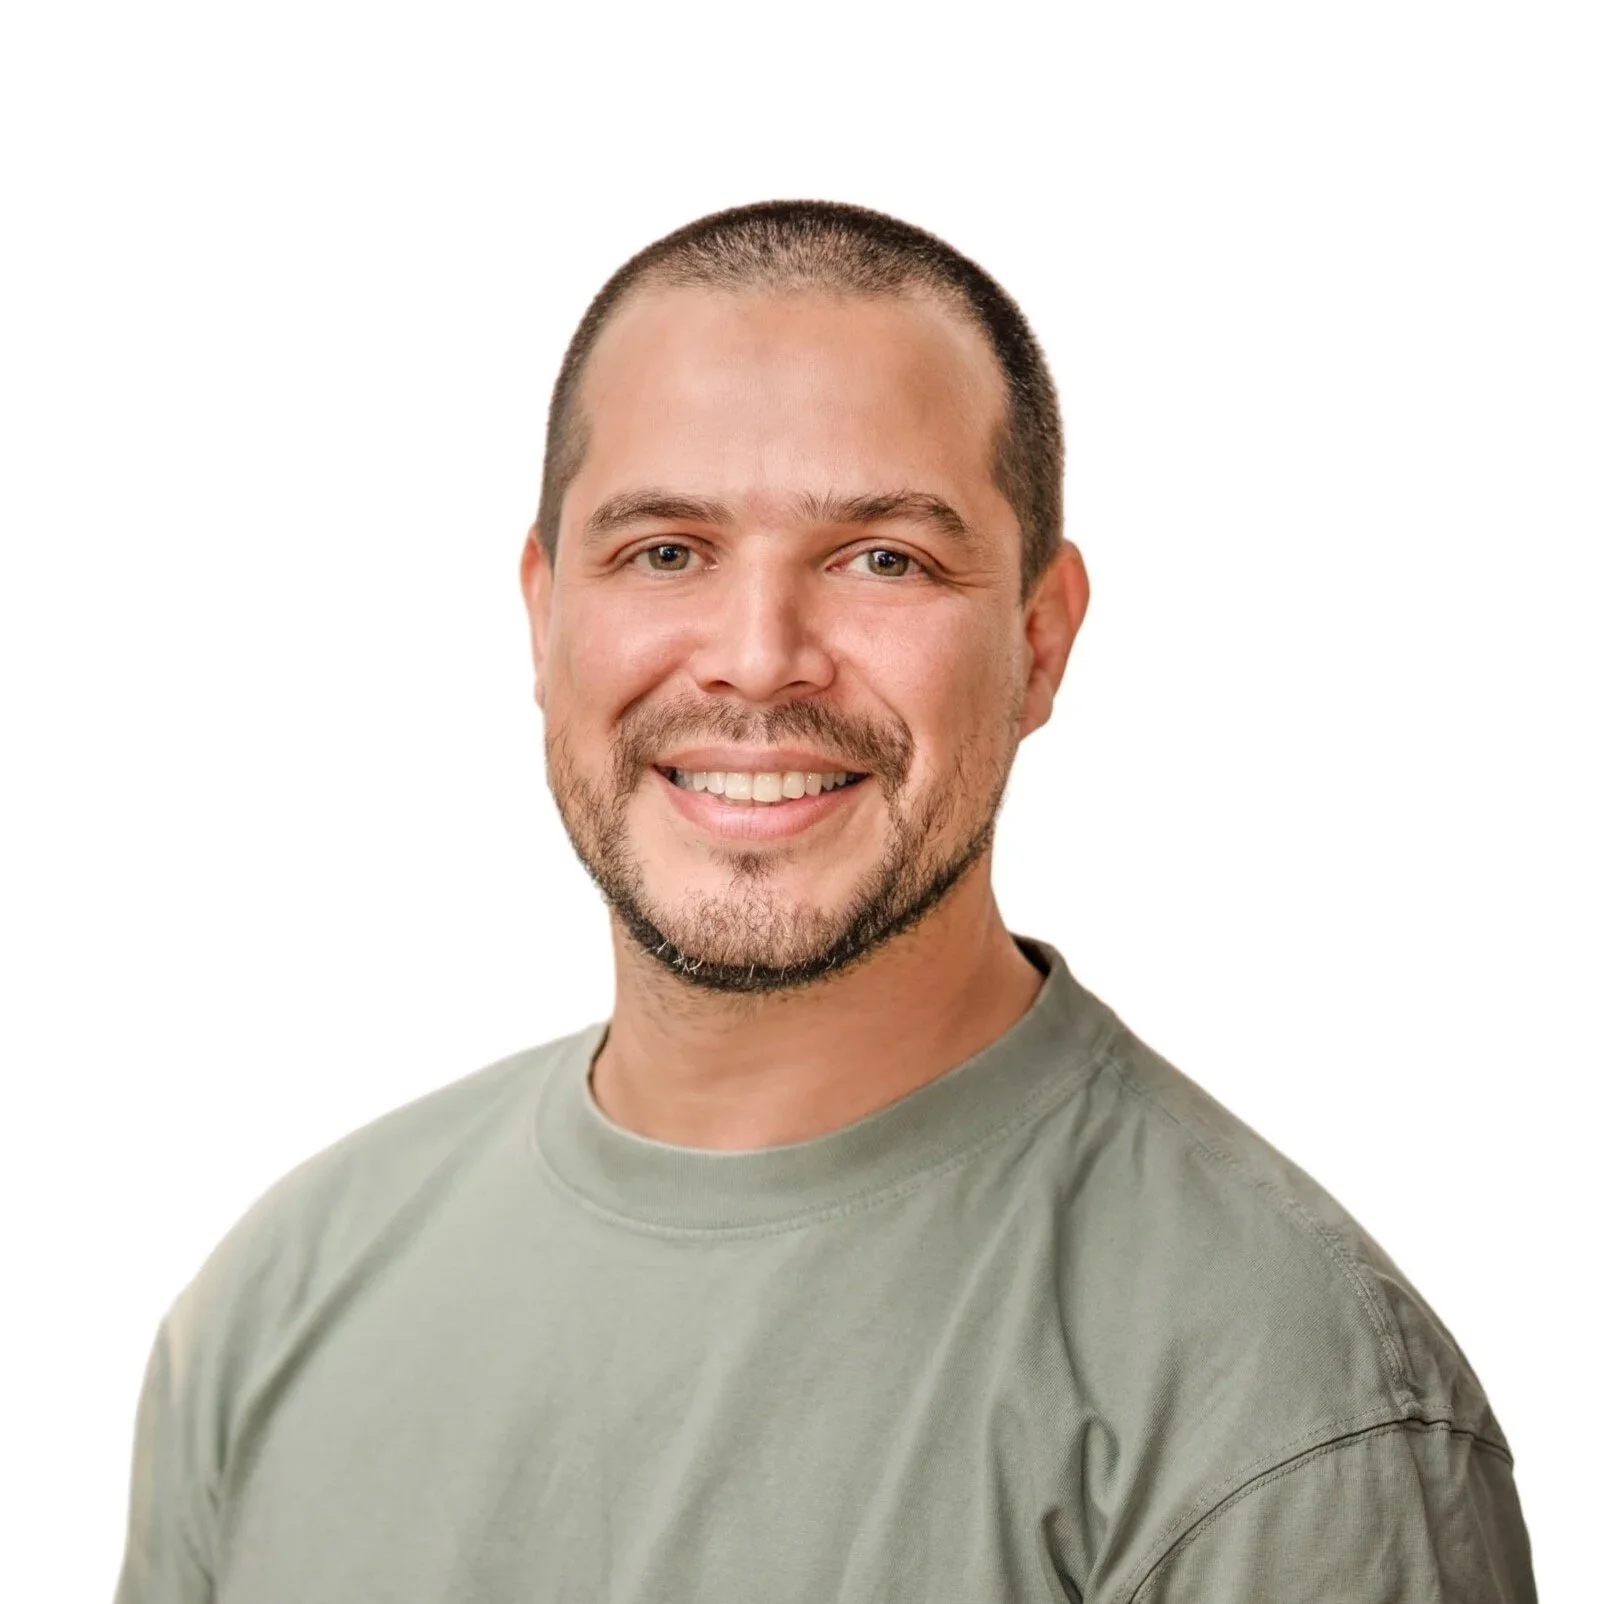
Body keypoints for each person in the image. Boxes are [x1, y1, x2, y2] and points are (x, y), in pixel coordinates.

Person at [114, 200, 1537, 1604]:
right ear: (544, 618)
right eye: (665, 549)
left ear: (1039, 644)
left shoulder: (1285, 1414)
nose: (758, 660)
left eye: (882, 560)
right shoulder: (276, 1306)